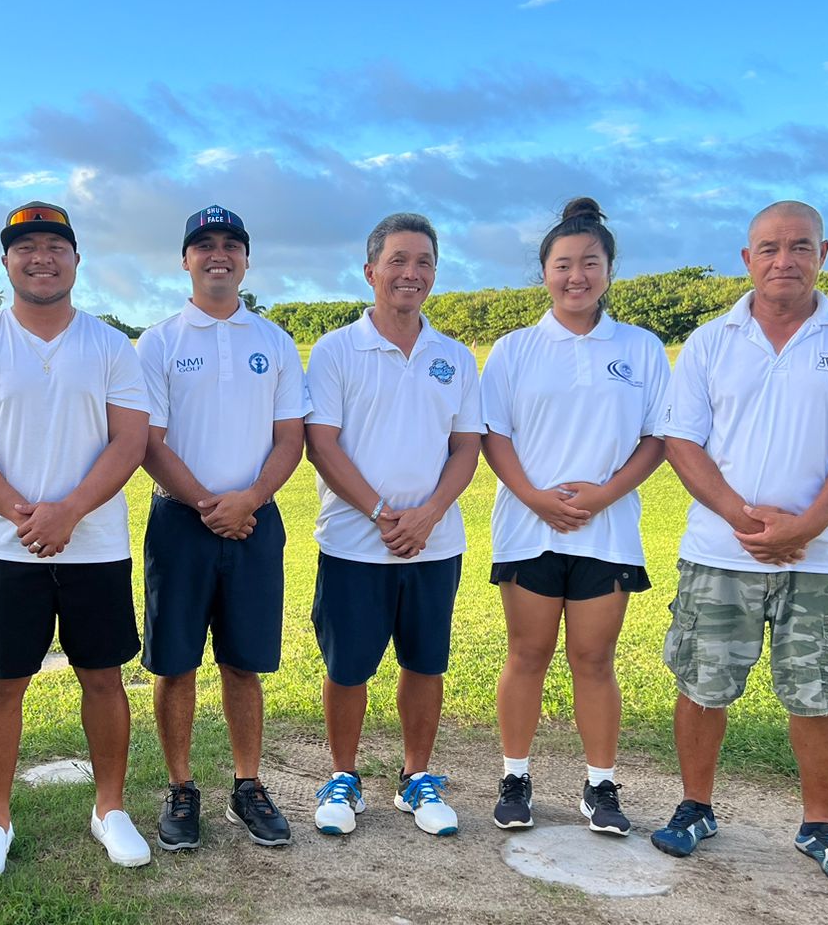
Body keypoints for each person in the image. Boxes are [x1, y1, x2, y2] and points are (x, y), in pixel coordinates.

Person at [652, 200, 828, 890]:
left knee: (819, 696)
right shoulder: (709, 341)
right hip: (719, 551)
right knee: (702, 684)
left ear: (823, 253)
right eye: (769, 248)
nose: (783, 261)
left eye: (799, 247)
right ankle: (695, 807)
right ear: (746, 258)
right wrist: (741, 516)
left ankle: (820, 824)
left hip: (823, 556)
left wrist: (806, 525)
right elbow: (681, 441)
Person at [0, 201, 151, 887]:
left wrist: (70, 511)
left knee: (104, 677)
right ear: (6, 263)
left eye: (55, 245)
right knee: (3, 684)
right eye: (25, 247)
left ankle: (109, 809)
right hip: (5, 548)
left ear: (76, 260)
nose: (41, 257)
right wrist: (26, 515)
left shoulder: (111, 345)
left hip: (95, 547)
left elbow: (130, 440)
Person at [479, 198, 669, 835]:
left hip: (607, 529)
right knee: (526, 653)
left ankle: (600, 784)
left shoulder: (640, 349)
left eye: (590, 263)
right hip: (528, 526)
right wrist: (535, 497)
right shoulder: (514, 349)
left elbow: (656, 439)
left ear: (610, 270)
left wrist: (605, 494)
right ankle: (515, 776)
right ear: (544, 273)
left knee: (594, 660)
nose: (576, 276)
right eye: (563, 265)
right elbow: (494, 436)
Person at [304, 213, 483, 837]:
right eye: (399, 261)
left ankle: (416, 779)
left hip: (434, 545)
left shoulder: (454, 356)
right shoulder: (334, 351)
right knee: (348, 667)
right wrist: (383, 514)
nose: (412, 274)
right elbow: (321, 445)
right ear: (371, 270)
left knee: (426, 663)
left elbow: (467, 447)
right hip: (355, 543)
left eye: (425, 262)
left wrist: (429, 513)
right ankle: (343, 777)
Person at [136, 205, 308, 851]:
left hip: (255, 524)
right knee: (175, 665)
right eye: (204, 244)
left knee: (244, 664)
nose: (218, 254)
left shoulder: (274, 340)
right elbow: (147, 441)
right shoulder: (158, 341)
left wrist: (250, 502)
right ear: (185, 259)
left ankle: (247, 786)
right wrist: (212, 505)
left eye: (231, 245)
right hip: (181, 523)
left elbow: (290, 437)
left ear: (245, 259)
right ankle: (181, 789)